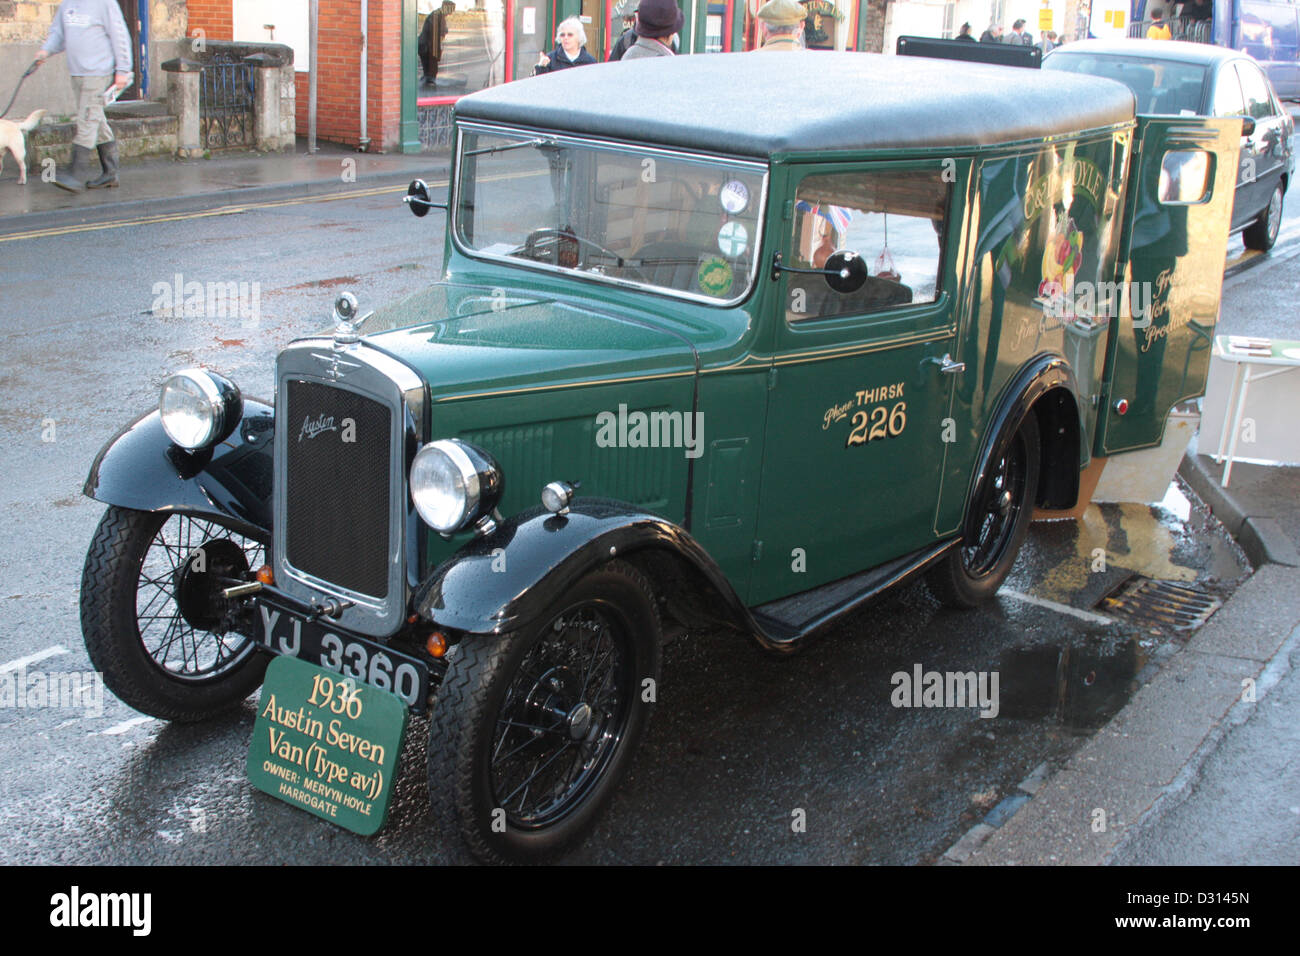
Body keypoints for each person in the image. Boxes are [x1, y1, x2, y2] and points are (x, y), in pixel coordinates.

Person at [35, 0, 131, 192]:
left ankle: (75, 174)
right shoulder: (68, 4)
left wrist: (123, 69)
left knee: (87, 120)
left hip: (97, 73)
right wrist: (45, 51)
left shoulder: (105, 3)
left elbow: (119, 36)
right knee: (95, 118)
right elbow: (58, 34)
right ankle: (110, 173)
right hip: (77, 73)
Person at [418, 1, 454, 88]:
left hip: (428, 47)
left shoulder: (438, 16)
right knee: (430, 72)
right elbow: (434, 38)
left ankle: (427, 85)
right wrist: (436, 53)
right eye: (451, 11)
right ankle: (427, 89)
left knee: (430, 71)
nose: (451, 13)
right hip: (427, 47)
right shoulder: (436, 17)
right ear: (446, 8)